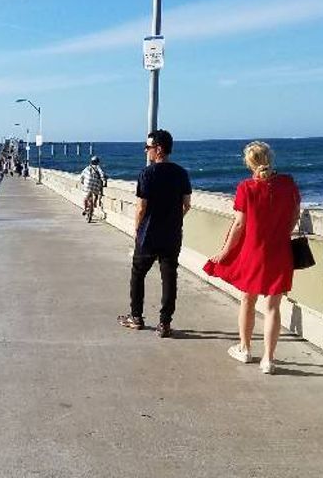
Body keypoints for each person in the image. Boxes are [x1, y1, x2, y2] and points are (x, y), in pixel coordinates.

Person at [203, 141, 300, 374]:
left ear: (249, 163)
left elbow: (238, 225)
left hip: (254, 251)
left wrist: (224, 252)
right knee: (273, 306)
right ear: (270, 158)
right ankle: (268, 359)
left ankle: (245, 349)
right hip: (280, 250)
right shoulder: (288, 184)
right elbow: (295, 214)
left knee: (248, 300)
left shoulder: (246, 187)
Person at [118, 129, 191, 338]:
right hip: (172, 235)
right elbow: (187, 204)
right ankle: (165, 323)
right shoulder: (181, 173)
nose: (146, 150)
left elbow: (141, 207)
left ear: (158, 149)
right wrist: (174, 220)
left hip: (148, 234)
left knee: (138, 274)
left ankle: (136, 317)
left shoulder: (147, 173)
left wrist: (137, 228)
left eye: (148, 147)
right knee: (169, 277)